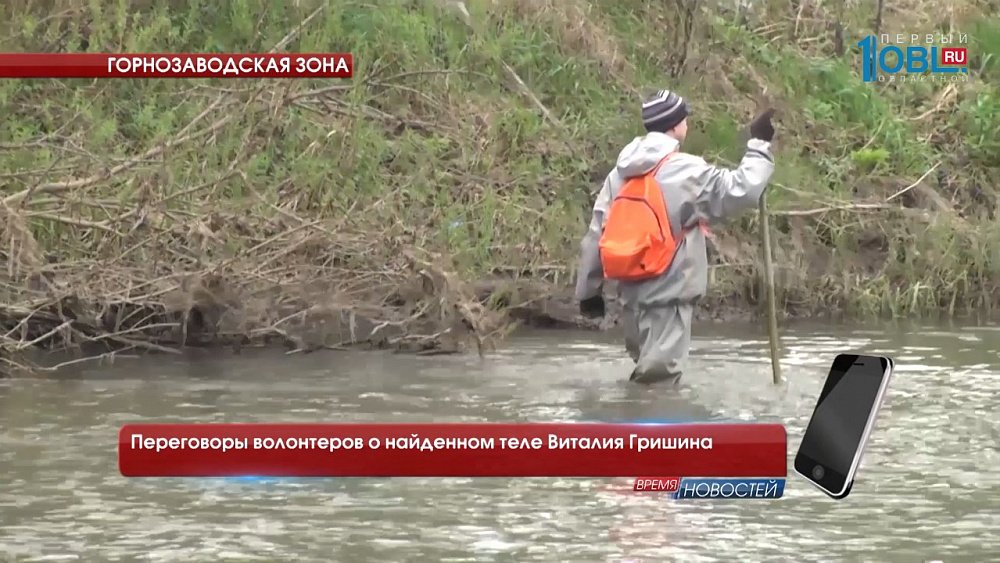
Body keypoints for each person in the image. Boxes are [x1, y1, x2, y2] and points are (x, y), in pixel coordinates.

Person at [574, 89, 776, 385]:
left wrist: (588, 292)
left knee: (645, 375)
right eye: (685, 119)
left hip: (630, 299)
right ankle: (655, 433)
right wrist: (759, 146)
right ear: (676, 125)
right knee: (658, 386)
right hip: (668, 298)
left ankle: (626, 427)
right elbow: (741, 191)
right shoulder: (685, 169)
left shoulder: (618, 175)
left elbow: (596, 235)